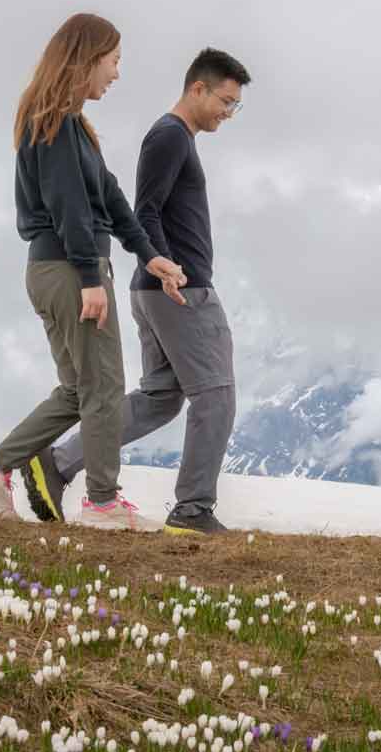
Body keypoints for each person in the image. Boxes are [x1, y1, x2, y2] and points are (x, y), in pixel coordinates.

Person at [0, 13, 186, 531]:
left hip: (53, 267)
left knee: (79, 390)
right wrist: (89, 278)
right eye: (114, 61)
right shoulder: (54, 123)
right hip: (70, 267)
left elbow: (111, 196)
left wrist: (147, 254)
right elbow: (71, 207)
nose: (117, 74)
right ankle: (102, 504)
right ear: (88, 58)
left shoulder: (70, 126)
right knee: (103, 387)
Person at [15, 47, 250, 536]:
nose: (228, 113)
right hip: (180, 288)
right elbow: (144, 211)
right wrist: (166, 269)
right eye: (225, 102)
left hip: (158, 288)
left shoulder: (176, 138)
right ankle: (192, 509)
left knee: (162, 397)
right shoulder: (169, 137)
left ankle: (56, 464)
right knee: (216, 395)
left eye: (235, 106)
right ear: (197, 88)